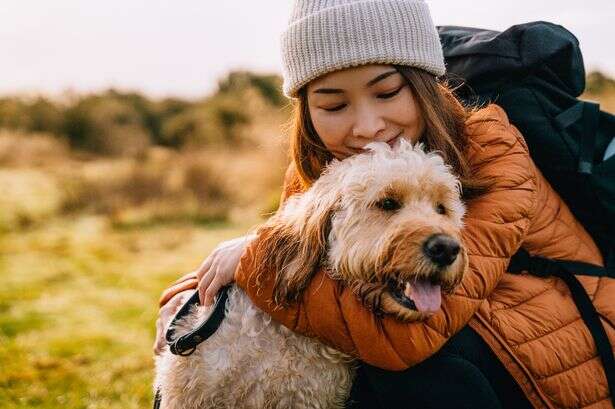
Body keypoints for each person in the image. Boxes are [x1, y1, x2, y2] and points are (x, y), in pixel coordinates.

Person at [154, 1, 613, 408]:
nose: (368, 126)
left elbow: (413, 332)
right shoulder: (325, 168)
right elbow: (295, 257)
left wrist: (255, 259)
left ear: (424, 84)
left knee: (410, 369)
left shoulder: (492, 148)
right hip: (472, 349)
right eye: (334, 105)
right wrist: (192, 304)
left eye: (387, 92)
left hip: (556, 350)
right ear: (307, 113)